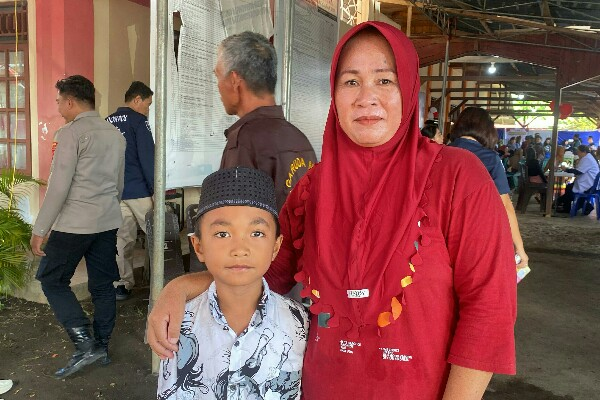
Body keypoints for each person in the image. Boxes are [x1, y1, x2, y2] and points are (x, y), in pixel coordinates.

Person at [148, 22, 516, 399]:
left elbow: (489, 310)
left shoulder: (457, 176)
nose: (366, 97)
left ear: (408, 88)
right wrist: (179, 288)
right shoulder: (313, 188)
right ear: (334, 94)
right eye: (351, 81)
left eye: (384, 80)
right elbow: (261, 272)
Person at [156, 167, 308, 399]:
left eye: (256, 233)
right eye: (222, 234)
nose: (239, 249)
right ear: (198, 246)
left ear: (276, 247)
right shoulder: (178, 325)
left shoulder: (299, 323)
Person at [30, 75, 125, 378]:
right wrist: (105, 209)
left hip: (74, 223)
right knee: (103, 285)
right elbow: (119, 185)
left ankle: (85, 344)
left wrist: (40, 228)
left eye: (59, 102)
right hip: (107, 221)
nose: (58, 108)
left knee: (51, 279)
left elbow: (58, 186)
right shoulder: (115, 134)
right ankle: (102, 346)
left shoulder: (70, 133)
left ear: (70, 102)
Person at [215, 31, 317, 211]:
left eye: (218, 76)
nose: (218, 86)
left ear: (234, 80)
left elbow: (234, 219)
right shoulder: (300, 139)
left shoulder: (244, 141)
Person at [448, 107, 529, 269]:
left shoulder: (440, 153)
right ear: (487, 129)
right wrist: (519, 247)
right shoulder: (490, 158)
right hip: (476, 235)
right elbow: (505, 206)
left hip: (438, 233)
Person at [106, 81, 155, 301]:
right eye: (148, 104)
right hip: (139, 191)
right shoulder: (139, 122)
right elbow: (148, 158)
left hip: (117, 193)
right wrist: (155, 189)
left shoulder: (107, 122)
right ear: (137, 99)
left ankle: (122, 284)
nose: (148, 109)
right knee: (158, 236)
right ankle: (160, 281)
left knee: (122, 239)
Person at [557, 145, 600, 214]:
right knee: (569, 188)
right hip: (590, 182)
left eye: (578, 152)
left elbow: (578, 171)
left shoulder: (587, 159)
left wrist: (566, 169)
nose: (577, 154)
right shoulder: (587, 157)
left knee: (569, 189)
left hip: (590, 185)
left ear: (584, 152)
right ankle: (582, 206)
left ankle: (566, 207)